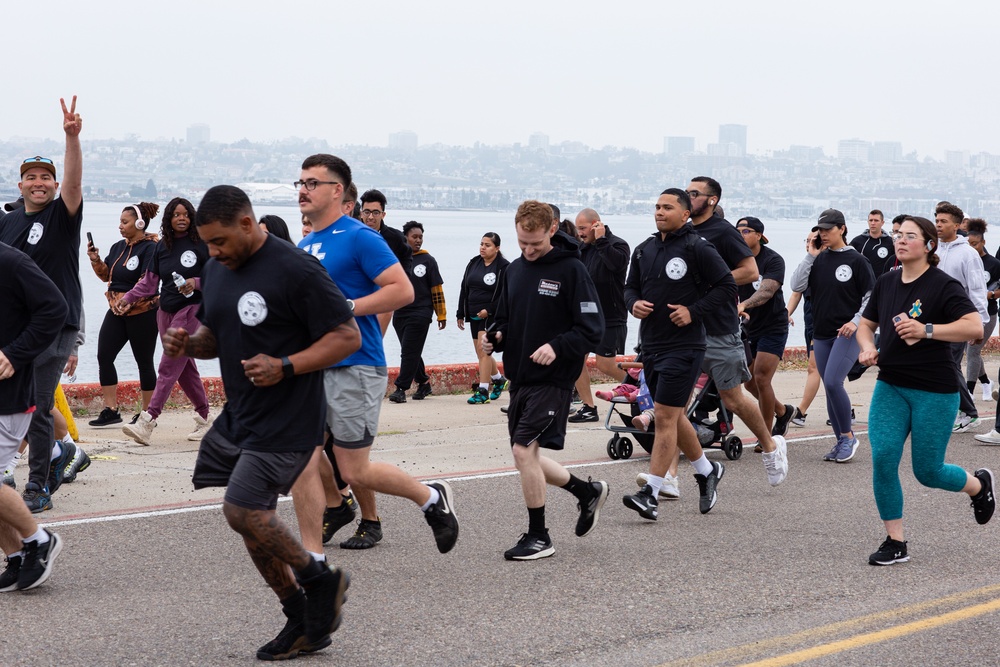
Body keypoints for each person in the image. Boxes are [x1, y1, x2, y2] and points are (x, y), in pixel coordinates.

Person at [162, 184, 360, 659]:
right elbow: (216, 332)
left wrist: (286, 365)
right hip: (241, 415)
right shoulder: (217, 267)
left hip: (290, 418)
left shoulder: (296, 269)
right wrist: (189, 343)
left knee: (242, 510)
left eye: (220, 241)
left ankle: (320, 581)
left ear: (248, 224)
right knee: (251, 524)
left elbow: (346, 336)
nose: (212, 252)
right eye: (208, 243)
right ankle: (302, 618)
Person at [297, 154, 458, 555]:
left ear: (337, 190)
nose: (303, 189)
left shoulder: (360, 237)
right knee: (300, 455)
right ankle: (313, 553)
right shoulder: (305, 244)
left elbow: (401, 291)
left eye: (313, 183)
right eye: (300, 183)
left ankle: (431, 498)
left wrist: (348, 307)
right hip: (313, 366)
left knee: (354, 468)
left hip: (355, 364)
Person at [857, 215, 995, 566]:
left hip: (934, 389)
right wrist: (866, 347)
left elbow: (974, 327)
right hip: (890, 384)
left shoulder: (943, 285)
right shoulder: (887, 282)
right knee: (883, 458)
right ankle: (895, 541)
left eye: (910, 236)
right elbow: (866, 324)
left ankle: (978, 485)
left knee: (927, 471)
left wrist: (926, 330)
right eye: (897, 235)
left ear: (929, 245)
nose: (900, 241)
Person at [481, 200, 608, 560]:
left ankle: (540, 537)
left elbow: (591, 330)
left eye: (535, 243)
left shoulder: (572, 270)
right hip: (519, 376)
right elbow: (504, 319)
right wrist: (495, 337)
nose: (529, 250)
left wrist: (557, 345)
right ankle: (587, 492)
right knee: (526, 455)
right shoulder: (515, 270)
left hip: (553, 378)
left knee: (524, 450)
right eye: (522, 243)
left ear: (552, 229)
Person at [621, 188, 742, 519]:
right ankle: (706, 470)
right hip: (652, 346)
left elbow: (727, 288)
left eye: (668, 207)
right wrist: (633, 303)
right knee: (672, 415)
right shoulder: (644, 250)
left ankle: (651, 493)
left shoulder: (698, 248)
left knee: (663, 416)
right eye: (657, 206)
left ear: (686, 214)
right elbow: (629, 288)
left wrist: (694, 311)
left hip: (686, 347)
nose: (660, 211)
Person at [0, 97, 88, 513]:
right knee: (21, 400)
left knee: (35, 399)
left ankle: (36, 486)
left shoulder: (61, 216)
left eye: (45, 177)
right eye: (31, 177)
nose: (39, 182)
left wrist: (71, 139)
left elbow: (73, 185)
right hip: (17, 327)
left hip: (56, 323)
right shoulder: (7, 222)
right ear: (19, 185)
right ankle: (55, 457)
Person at [683, 177, 787, 484]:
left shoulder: (724, 233)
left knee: (740, 393)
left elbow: (756, 277)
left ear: (712, 200)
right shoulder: (682, 233)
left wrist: (718, 283)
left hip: (736, 326)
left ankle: (769, 443)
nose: (688, 198)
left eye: (694, 193)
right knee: (672, 405)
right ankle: (664, 480)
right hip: (687, 328)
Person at [0, 240, 68, 591]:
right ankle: (17, 556)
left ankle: (39, 540)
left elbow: (55, 308)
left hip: (7, 397)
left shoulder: (11, 261)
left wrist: (15, 354)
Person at [120, 198, 211, 445]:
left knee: (169, 362)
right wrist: (129, 297)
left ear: (192, 218)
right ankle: (205, 417)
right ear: (169, 219)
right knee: (184, 368)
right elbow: (150, 282)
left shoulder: (202, 244)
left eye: (186, 214)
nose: (181, 218)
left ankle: (148, 421)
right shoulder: (162, 247)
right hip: (166, 310)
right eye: (176, 215)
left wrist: (197, 283)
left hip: (193, 309)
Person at [791, 209, 875, 462]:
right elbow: (796, 285)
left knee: (832, 382)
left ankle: (849, 436)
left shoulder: (857, 260)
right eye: (820, 230)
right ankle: (841, 440)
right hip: (822, 332)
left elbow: (871, 297)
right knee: (829, 387)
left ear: (842, 228)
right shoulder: (817, 258)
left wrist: (855, 321)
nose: (823, 234)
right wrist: (810, 256)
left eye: (828, 229)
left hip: (848, 333)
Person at [86, 203, 161, 427]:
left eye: (124, 222)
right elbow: (106, 275)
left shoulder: (151, 248)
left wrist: (127, 301)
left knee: (144, 362)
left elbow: (147, 281)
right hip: (116, 311)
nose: (120, 226)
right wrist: (95, 260)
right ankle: (111, 410)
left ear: (140, 224)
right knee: (104, 356)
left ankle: (147, 415)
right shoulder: (119, 246)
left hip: (143, 312)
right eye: (120, 221)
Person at [567, 208, 630, 423]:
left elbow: (616, 265)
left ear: (596, 225)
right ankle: (588, 407)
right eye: (578, 229)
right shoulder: (582, 249)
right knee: (574, 360)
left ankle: (640, 388)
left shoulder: (618, 245)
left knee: (605, 365)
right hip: (585, 316)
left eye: (583, 228)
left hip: (610, 316)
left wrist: (602, 241)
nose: (580, 233)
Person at [734, 217, 794, 437]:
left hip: (774, 326)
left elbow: (766, 291)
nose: (740, 235)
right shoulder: (734, 260)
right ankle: (782, 411)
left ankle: (766, 436)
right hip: (748, 328)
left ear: (759, 235)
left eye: (746, 231)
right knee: (749, 383)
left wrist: (744, 304)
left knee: (761, 378)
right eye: (737, 231)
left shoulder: (773, 260)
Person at [935, 201, 989, 433]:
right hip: (933, 320)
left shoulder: (968, 253)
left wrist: (980, 324)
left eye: (943, 221)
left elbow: (977, 290)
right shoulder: (931, 249)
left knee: (948, 364)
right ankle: (951, 409)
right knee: (939, 364)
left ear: (957, 225)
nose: (938, 225)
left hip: (960, 320)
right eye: (936, 221)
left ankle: (969, 412)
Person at [388, 221, 447, 403]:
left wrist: (441, 314)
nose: (418, 240)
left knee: (408, 351)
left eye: (421, 237)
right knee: (411, 350)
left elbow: (436, 290)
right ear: (405, 238)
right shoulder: (397, 258)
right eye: (415, 237)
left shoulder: (428, 260)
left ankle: (401, 389)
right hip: (399, 312)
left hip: (421, 312)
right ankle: (423, 383)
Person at [457, 233, 510, 404]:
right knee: (481, 353)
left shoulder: (503, 267)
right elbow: (464, 288)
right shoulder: (473, 263)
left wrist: (490, 310)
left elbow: (505, 295)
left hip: (492, 316)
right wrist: (460, 313)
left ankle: (483, 390)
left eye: (487, 245)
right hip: (473, 315)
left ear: (497, 248)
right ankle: (498, 379)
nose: (483, 247)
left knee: (484, 350)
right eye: (481, 244)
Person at [359, 189, 413, 337]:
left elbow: (406, 258)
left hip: (383, 298)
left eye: (376, 212)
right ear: (361, 213)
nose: (370, 217)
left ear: (383, 214)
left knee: (374, 340)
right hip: (356, 296)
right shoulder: (351, 234)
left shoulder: (395, 238)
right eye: (367, 212)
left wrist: (400, 284)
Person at [784, 228, 822, 428]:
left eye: (812, 240)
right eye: (806, 240)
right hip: (810, 320)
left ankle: (801, 412)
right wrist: (787, 313)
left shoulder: (829, 265)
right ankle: (844, 408)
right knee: (826, 371)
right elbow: (796, 292)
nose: (809, 243)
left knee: (813, 367)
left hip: (825, 323)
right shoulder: (807, 265)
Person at [965, 219, 1000, 406]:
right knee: (973, 352)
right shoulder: (967, 260)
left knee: (972, 351)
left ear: (983, 243)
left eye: (975, 244)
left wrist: (992, 294)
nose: (971, 247)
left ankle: (968, 392)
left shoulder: (994, 264)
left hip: (988, 314)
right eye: (968, 244)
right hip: (967, 314)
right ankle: (986, 383)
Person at [850, 209, 895, 275]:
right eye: (871, 220)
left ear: (882, 223)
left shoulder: (890, 242)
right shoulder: (857, 241)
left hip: (883, 282)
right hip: (863, 282)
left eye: (876, 220)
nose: (873, 223)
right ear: (868, 222)